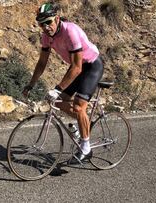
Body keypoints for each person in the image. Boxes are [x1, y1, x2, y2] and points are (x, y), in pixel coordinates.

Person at [23, 3, 104, 163]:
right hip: (77, 68)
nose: (46, 27)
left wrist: (58, 88)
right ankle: (83, 125)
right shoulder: (46, 37)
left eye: (49, 22)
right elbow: (41, 63)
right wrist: (30, 84)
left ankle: (86, 148)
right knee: (59, 102)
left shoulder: (70, 31)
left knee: (79, 106)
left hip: (91, 66)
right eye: (42, 24)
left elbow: (77, 67)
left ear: (57, 19)